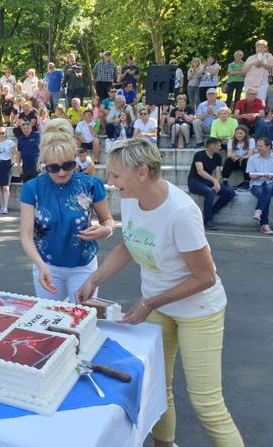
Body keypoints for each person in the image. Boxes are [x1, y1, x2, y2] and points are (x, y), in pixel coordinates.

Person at [75, 138, 244, 447]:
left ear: (141, 172)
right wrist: (93, 280)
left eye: (115, 175)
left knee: (207, 405)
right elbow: (127, 246)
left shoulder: (181, 212)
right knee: (157, 389)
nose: (109, 182)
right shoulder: (130, 197)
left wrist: (150, 302)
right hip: (159, 307)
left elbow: (205, 277)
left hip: (199, 312)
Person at [19, 119, 114, 302]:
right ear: (44, 163)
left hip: (83, 266)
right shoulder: (32, 188)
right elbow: (26, 235)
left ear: (75, 159)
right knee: (48, 318)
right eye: (53, 168)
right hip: (46, 265)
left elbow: (107, 219)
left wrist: (107, 230)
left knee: (81, 319)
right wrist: (40, 265)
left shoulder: (91, 185)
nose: (61, 173)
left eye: (68, 166)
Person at [187, 137, 235, 230]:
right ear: (211, 146)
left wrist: (216, 182)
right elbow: (200, 171)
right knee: (209, 192)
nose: (220, 147)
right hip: (194, 181)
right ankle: (208, 220)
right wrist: (214, 180)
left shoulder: (218, 156)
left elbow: (218, 172)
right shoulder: (199, 155)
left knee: (230, 193)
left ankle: (211, 212)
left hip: (207, 181)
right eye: (219, 145)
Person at [246, 136, 273, 235]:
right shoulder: (252, 158)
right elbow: (251, 176)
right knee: (265, 193)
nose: (258, 148)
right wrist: (262, 175)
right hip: (256, 184)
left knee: (269, 187)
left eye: (261, 146)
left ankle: (259, 211)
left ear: (268, 146)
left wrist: (270, 176)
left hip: (271, 183)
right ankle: (264, 225)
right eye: (257, 146)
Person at [0, 127, 16, 214]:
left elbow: (15, 152)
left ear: (6, 133)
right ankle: (2, 206)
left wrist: (13, 161)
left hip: (7, 164)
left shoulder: (10, 142)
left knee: (6, 187)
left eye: (3, 133)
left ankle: (6, 207)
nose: (1, 135)